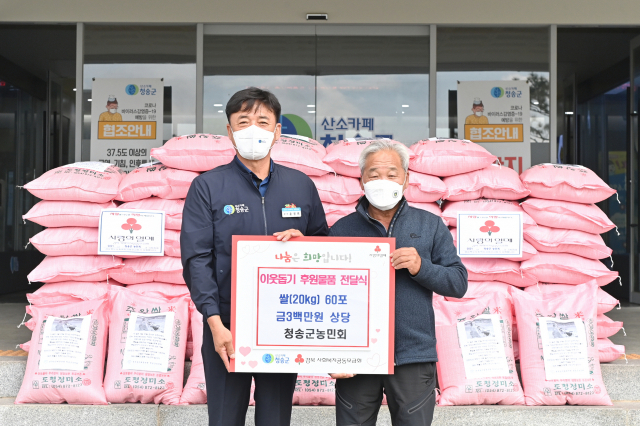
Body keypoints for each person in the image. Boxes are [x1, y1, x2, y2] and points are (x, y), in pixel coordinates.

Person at [181, 87, 328, 426]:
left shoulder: (301, 185)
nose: (253, 130)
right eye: (243, 122)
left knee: (275, 418)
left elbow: (323, 246)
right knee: (224, 417)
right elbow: (196, 259)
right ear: (230, 131)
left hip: (282, 323)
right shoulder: (208, 186)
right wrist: (214, 322)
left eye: (263, 121)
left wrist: (305, 243)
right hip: (227, 324)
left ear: (277, 131)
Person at [328, 140, 467, 426]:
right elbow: (326, 293)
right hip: (356, 357)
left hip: (413, 356)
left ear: (406, 180)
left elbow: (458, 282)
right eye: (374, 174)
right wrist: (333, 352)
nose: (383, 181)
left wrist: (421, 267)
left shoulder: (429, 225)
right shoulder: (342, 230)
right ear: (362, 180)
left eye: (392, 174)